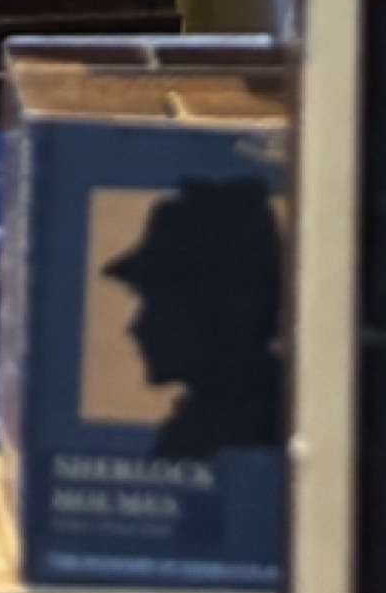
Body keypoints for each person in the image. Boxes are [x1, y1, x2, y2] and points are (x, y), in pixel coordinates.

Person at [100, 175, 284, 459]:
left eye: (154, 304)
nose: (136, 328)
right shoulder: (203, 424)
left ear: (214, 310)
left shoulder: (241, 428)